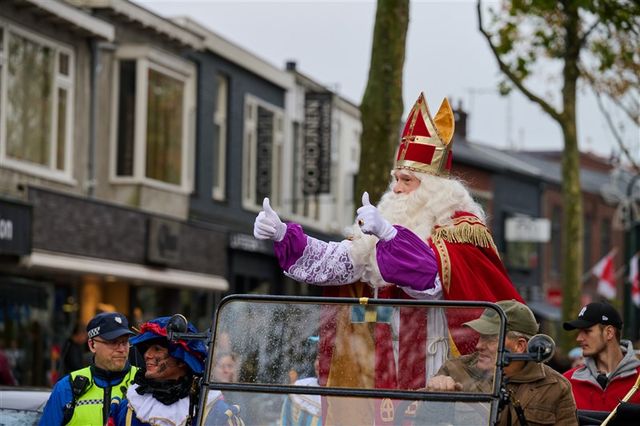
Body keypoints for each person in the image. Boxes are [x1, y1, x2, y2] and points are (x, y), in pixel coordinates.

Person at [253, 92, 523, 392]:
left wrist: (391, 236)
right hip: (383, 360)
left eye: (407, 180)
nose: (396, 188)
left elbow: (429, 282)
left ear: (434, 189)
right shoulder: (383, 226)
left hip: (441, 364)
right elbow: (338, 264)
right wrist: (284, 235)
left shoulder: (459, 229)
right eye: (396, 178)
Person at [425, 300, 578, 425]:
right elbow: (419, 419)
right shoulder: (455, 370)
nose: (479, 345)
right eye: (480, 336)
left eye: (490, 338)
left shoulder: (555, 388)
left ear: (520, 346)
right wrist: (432, 396)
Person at [109, 316, 242, 426]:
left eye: (157, 349)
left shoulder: (215, 414)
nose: (147, 355)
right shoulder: (126, 409)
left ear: (181, 361)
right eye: (146, 349)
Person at [41, 312, 137, 425]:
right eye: (113, 342)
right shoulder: (67, 387)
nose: (121, 349)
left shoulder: (143, 382)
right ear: (92, 345)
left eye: (125, 342)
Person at [562, 301, 640, 411]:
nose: (579, 338)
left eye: (587, 331)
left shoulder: (638, 378)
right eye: (579, 332)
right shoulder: (566, 382)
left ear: (609, 332)